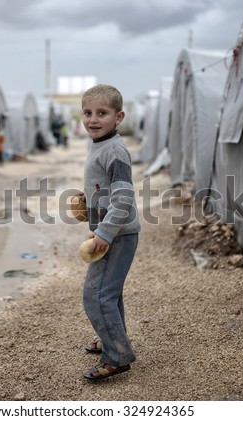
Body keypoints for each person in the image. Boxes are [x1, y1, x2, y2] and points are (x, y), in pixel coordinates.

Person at [80, 84, 141, 380]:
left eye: (102, 113)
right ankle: (112, 340)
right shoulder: (100, 145)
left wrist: (103, 233)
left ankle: (116, 356)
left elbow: (124, 197)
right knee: (110, 294)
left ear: (119, 117)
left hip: (116, 235)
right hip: (111, 231)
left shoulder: (116, 150)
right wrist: (87, 202)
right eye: (87, 113)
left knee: (96, 295)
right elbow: (103, 188)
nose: (93, 119)